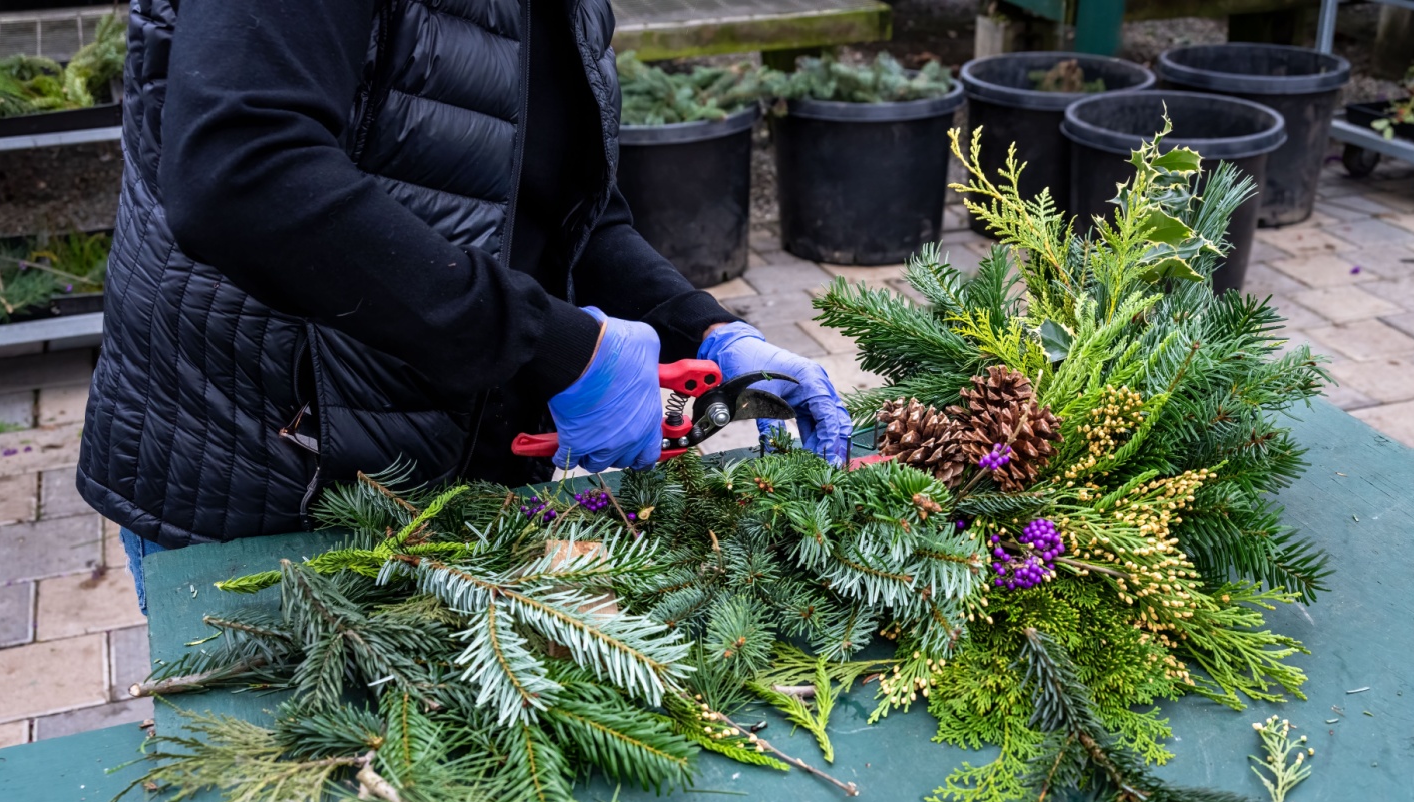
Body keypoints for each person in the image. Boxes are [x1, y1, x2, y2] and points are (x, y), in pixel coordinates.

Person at [76, 0, 852, 614]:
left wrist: (704, 329)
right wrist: (557, 348)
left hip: (456, 472)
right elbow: (241, 176)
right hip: (273, 490)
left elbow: (558, 202)